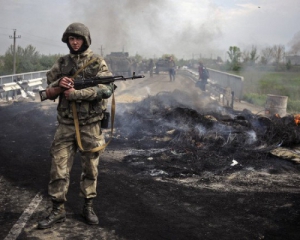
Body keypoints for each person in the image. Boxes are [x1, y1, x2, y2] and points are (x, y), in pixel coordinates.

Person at [37, 22, 114, 229]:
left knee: (90, 169)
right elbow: (48, 87)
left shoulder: (97, 63)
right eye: (71, 38)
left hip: (90, 125)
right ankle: (57, 209)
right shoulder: (61, 63)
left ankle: (88, 206)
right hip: (66, 125)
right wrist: (60, 85)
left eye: (78, 38)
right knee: (58, 168)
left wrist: (78, 94)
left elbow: (107, 89)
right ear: (67, 41)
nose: (75, 42)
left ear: (85, 40)